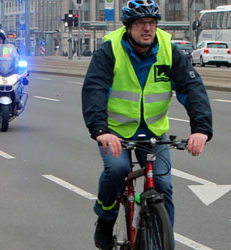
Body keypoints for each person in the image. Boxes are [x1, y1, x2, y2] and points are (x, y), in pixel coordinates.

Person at [81, 0, 213, 249]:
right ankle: (106, 218)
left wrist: (201, 129)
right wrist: (100, 131)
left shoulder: (168, 50)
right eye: (141, 23)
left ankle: (162, 242)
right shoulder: (110, 51)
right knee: (117, 170)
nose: (147, 29)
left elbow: (192, 89)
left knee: (163, 185)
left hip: (153, 131)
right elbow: (94, 91)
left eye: (151, 23)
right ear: (129, 27)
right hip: (116, 132)